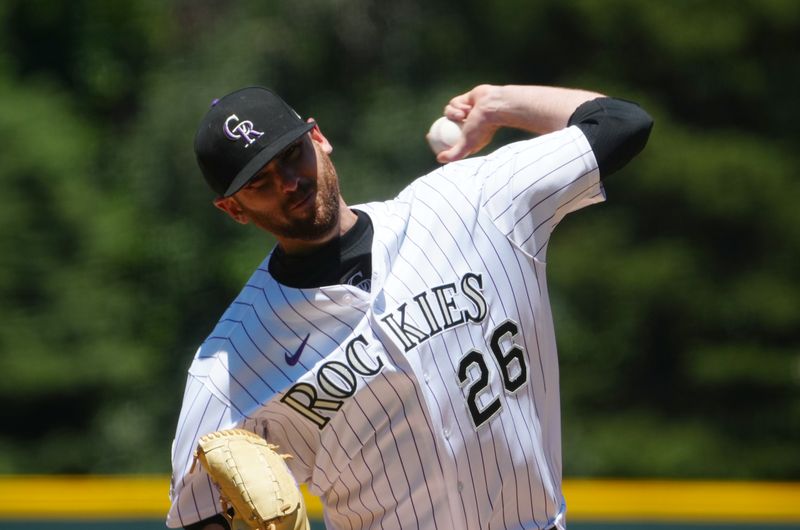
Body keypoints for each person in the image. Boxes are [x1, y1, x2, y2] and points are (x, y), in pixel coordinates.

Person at [167, 83, 653, 530]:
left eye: (292, 154)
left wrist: (501, 103)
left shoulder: (469, 203)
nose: (289, 182)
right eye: (260, 182)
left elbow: (620, 123)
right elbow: (195, 516)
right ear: (233, 209)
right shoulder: (228, 366)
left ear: (318, 138)